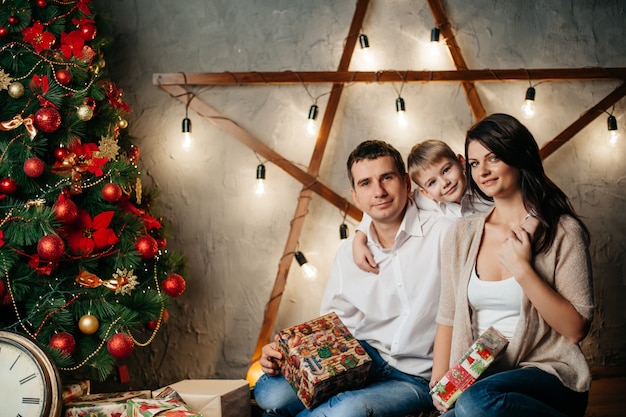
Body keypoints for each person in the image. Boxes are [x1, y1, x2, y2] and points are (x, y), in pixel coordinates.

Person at [254, 139, 453, 417]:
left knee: (342, 412)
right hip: (360, 358)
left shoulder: (444, 231)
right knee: (268, 392)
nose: (379, 191)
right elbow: (334, 324)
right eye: (366, 183)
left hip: (414, 377)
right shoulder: (349, 251)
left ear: (407, 183)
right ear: (355, 196)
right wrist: (288, 354)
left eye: (387, 178)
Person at [432, 113, 593, 417]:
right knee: (467, 406)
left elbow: (575, 330)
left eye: (493, 157)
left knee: (476, 403)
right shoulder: (461, 233)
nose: (483, 171)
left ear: (518, 156)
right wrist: (439, 385)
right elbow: (448, 315)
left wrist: (522, 268)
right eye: (475, 163)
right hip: (480, 380)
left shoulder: (562, 231)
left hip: (547, 378)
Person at [354, 139, 491, 274]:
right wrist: (360, 237)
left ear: (461, 162)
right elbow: (382, 206)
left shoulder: (485, 185)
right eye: (432, 183)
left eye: (446, 170)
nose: (445, 183)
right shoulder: (425, 201)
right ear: (425, 192)